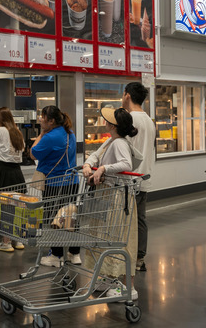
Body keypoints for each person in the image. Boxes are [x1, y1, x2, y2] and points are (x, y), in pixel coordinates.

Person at [82, 107, 143, 301]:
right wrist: (87, 164)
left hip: (117, 197)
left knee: (120, 239)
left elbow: (125, 164)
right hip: (108, 195)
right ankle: (110, 278)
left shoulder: (119, 144)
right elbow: (95, 154)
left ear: (112, 125)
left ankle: (128, 287)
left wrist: (103, 168)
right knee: (106, 236)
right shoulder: (111, 141)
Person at [29, 106, 78, 267]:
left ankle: (56, 256)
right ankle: (74, 253)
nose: (40, 119)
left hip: (55, 183)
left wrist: (41, 135)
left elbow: (33, 153)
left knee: (54, 219)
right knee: (70, 217)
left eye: (43, 117)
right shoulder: (70, 133)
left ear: (51, 121)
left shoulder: (50, 137)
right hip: (72, 183)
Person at [122, 82, 155, 272]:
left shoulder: (129, 119)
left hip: (128, 180)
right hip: (144, 177)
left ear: (127, 95)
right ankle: (139, 258)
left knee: (126, 221)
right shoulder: (149, 120)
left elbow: (123, 151)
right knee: (141, 219)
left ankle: (128, 256)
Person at [0, 107, 27, 252]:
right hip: (17, 172)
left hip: (3, 171)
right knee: (17, 206)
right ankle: (18, 240)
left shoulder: (0, 131)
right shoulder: (17, 132)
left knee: (4, 207)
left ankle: (6, 242)